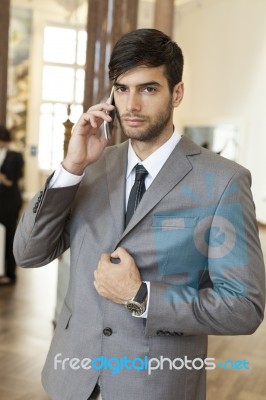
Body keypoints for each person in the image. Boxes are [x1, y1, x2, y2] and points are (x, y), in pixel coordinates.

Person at [14, 29, 265, 400]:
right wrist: (71, 166)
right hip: (71, 379)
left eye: (148, 89)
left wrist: (141, 296)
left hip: (156, 385)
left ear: (176, 93)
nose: (131, 104)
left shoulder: (223, 183)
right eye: (122, 88)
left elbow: (244, 307)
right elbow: (29, 252)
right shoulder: (91, 166)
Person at [0, 126, 23, 285]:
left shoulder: (15, 156)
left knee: (9, 236)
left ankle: (10, 273)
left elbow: (11, 181)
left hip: (9, 202)